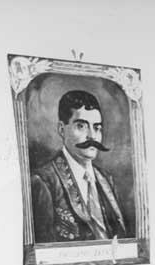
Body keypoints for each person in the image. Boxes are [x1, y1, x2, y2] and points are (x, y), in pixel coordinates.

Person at [31, 90, 130, 243]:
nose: (92, 136)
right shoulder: (43, 181)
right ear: (61, 129)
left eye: (97, 128)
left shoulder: (106, 180)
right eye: (81, 126)